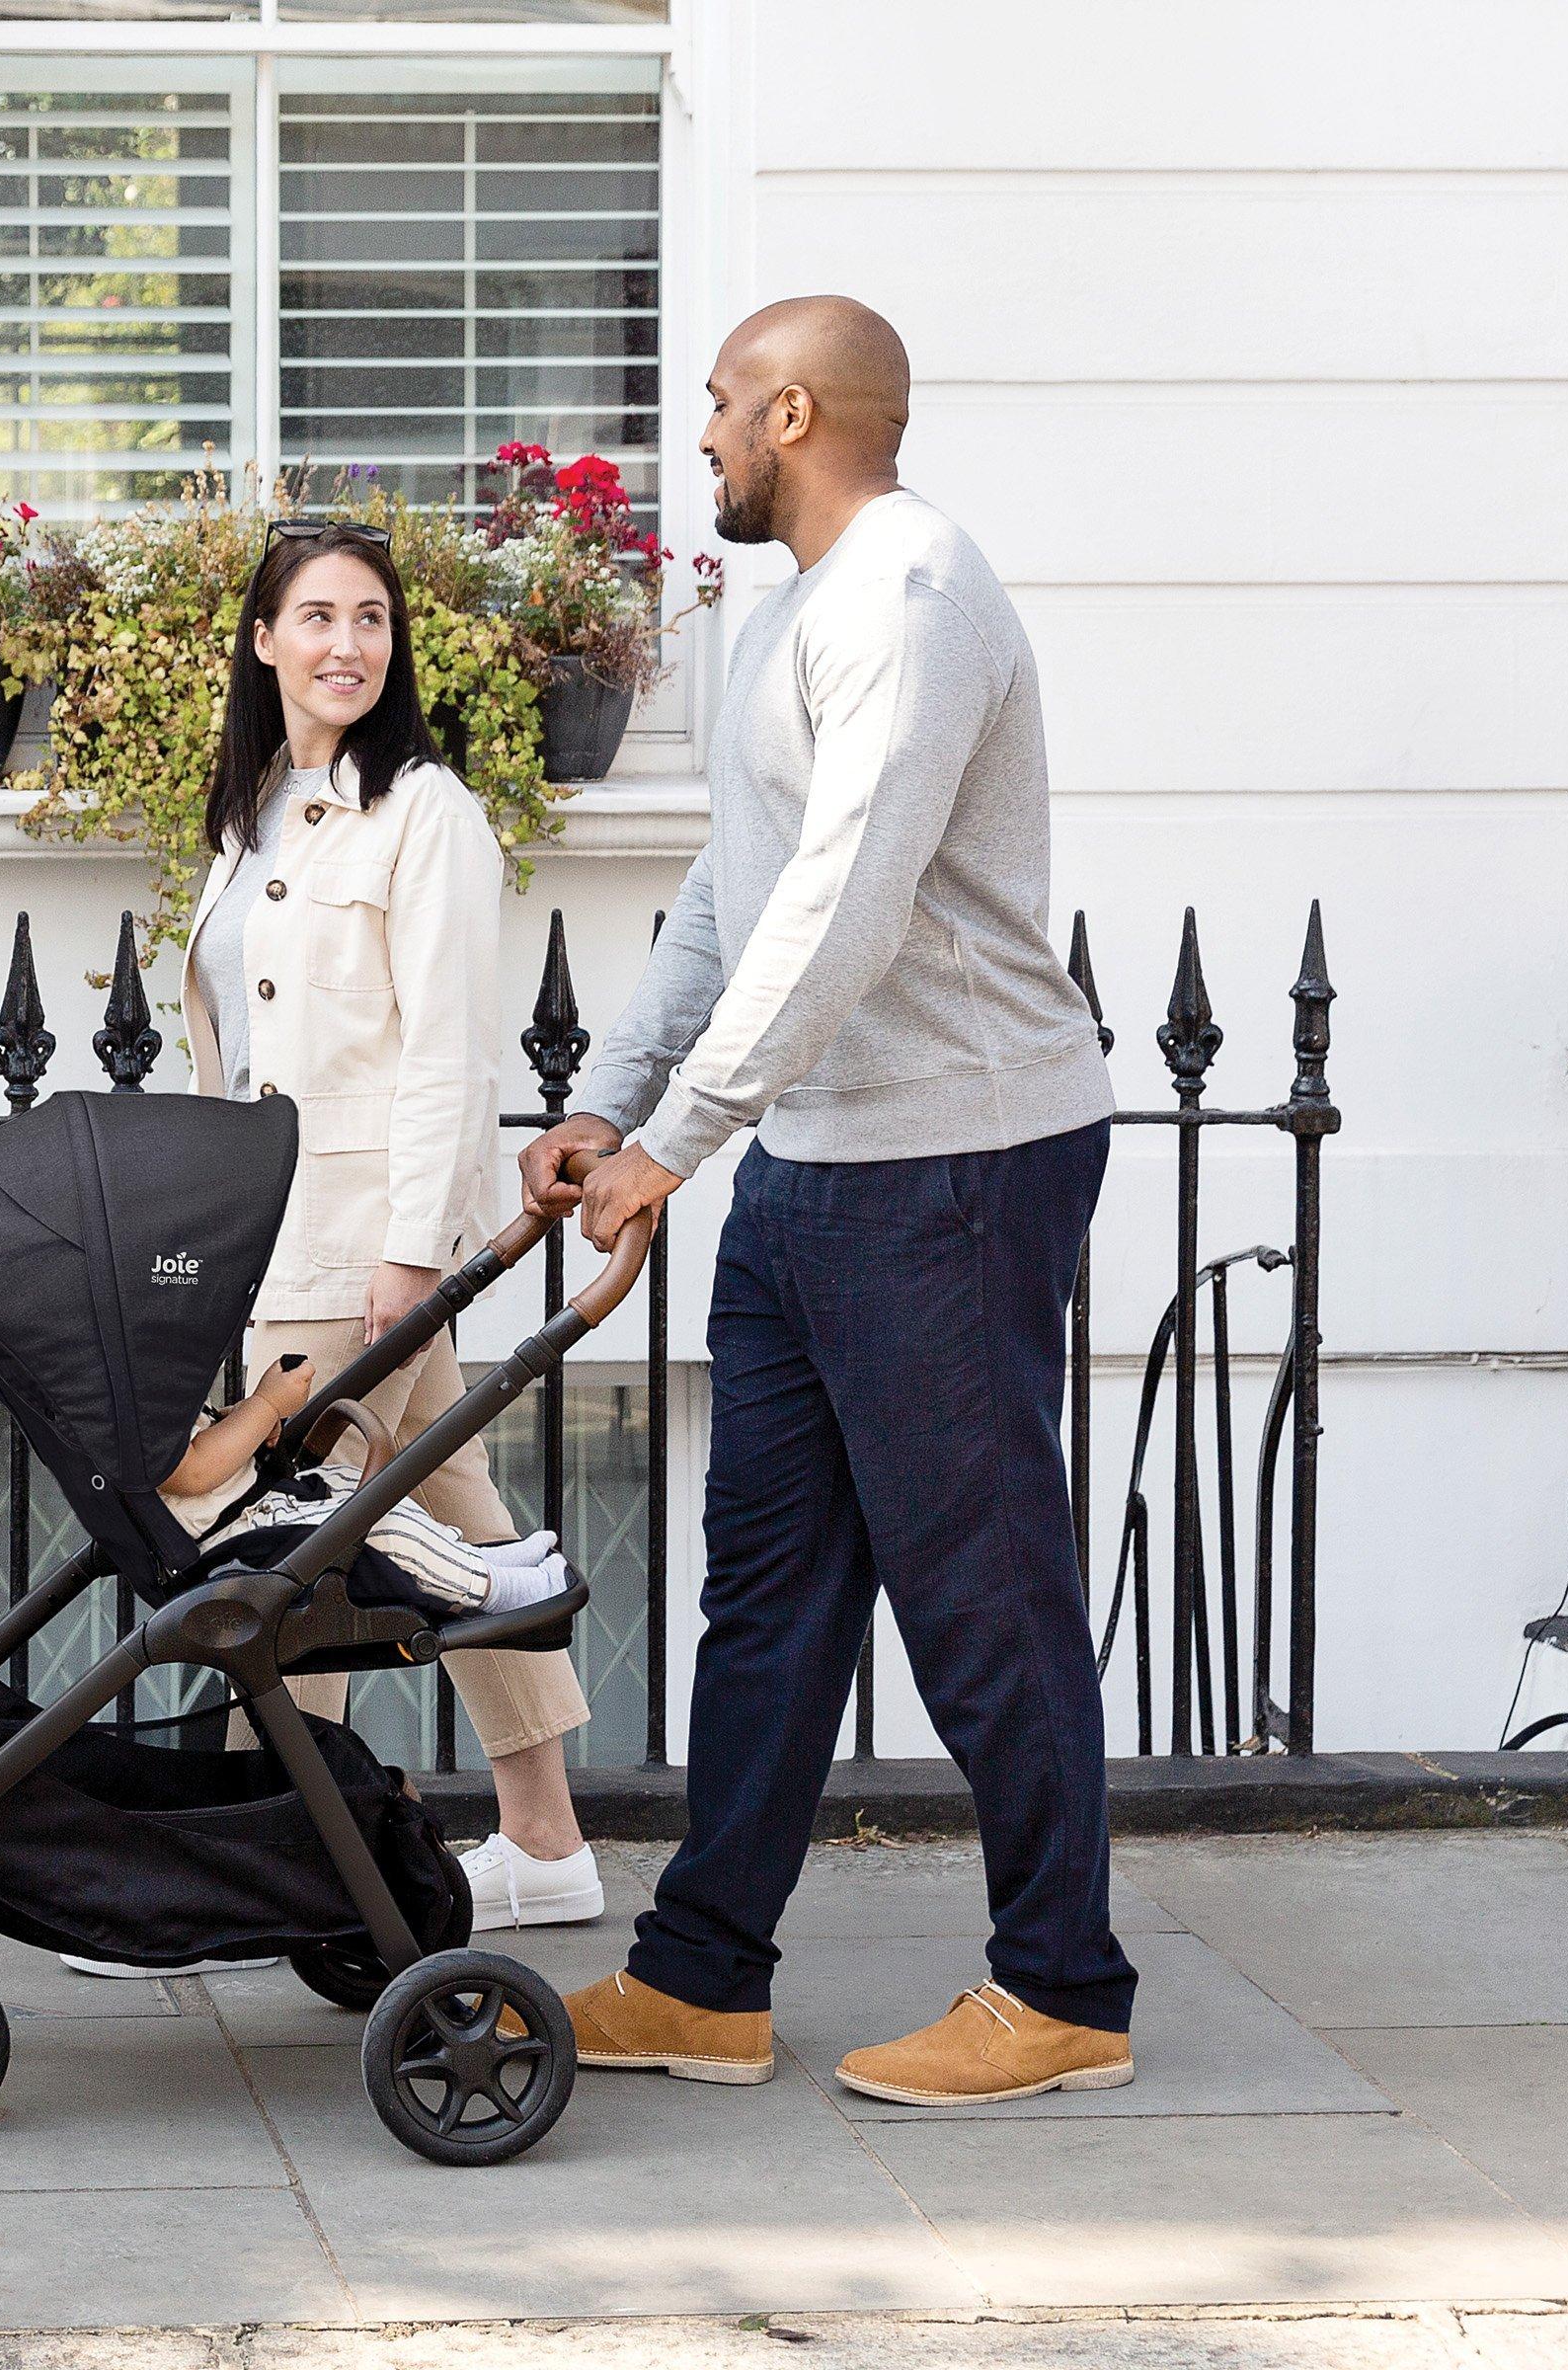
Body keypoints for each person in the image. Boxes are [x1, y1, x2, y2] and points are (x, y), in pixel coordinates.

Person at [519, 295, 1137, 2102]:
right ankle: (705, 1979)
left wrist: (674, 1141)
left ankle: (1063, 1988)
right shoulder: (790, 614)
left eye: (717, 404)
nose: (694, 434)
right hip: (813, 1168)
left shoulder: (915, 599)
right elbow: (736, 887)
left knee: (983, 1586)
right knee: (770, 1590)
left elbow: (850, 903)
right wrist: (610, 1102)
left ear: (794, 411)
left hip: (956, 1156)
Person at [180, 516, 604, 1934]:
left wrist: (415, 1248)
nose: (347, 644)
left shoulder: (426, 811)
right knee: (452, 1515)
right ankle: (542, 1846)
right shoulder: (250, 822)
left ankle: (276, 1864)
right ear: (264, 640)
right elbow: (235, 1050)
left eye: (371, 619)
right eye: (317, 617)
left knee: (286, 1550)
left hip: (361, 1238)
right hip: (272, 1234)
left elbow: (448, 1048)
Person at [159, 1352, 576, 1620]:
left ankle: (464, 1556)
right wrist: (265, 1403)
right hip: (243, 1540)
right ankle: (494, 1589)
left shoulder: (139, 1396)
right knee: (379, 1530)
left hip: (264, 1503)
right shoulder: (131, 1424)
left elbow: (199, 1444)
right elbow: (192, 1472)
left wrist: (245, 1421)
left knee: (358, 1487)